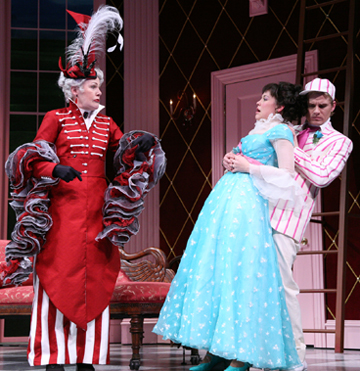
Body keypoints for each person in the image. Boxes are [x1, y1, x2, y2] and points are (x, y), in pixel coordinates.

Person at [2, 6, 165, 371]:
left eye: (99, 85)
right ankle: (53, 357)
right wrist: (54, 168)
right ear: (75, 90)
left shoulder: (107, 123)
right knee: (57, 278)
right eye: (93, 85)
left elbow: (125, 150)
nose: (98, 90)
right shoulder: (55, 118)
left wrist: (141, 151)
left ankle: (87, 357)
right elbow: (31, 157)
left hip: (95, 216)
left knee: (94, 279)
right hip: (60, 212)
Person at [153, 82, 308, 371]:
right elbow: (242, 157)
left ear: (280, 106)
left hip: (250, 209)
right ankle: (218, 354)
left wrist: (248, 167)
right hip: (226, 205)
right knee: (221, 272)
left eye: (264, 99)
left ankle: (242, 356)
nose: (258, 103)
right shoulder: (255, 131)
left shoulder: (281, 131)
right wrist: (229, 159)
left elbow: (287, 175)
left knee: (243, 275)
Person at [267, 78, 353, 371]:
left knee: (283, 287)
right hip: (259, 213)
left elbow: (322, 175)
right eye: (311, 105)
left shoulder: (340, 141)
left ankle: (295, 357)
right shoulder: (290, 131)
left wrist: (288, 146)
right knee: (252, 286)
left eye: (322, 105)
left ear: (333, 106)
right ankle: (249, 354)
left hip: (289, 218)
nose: (315, 110)